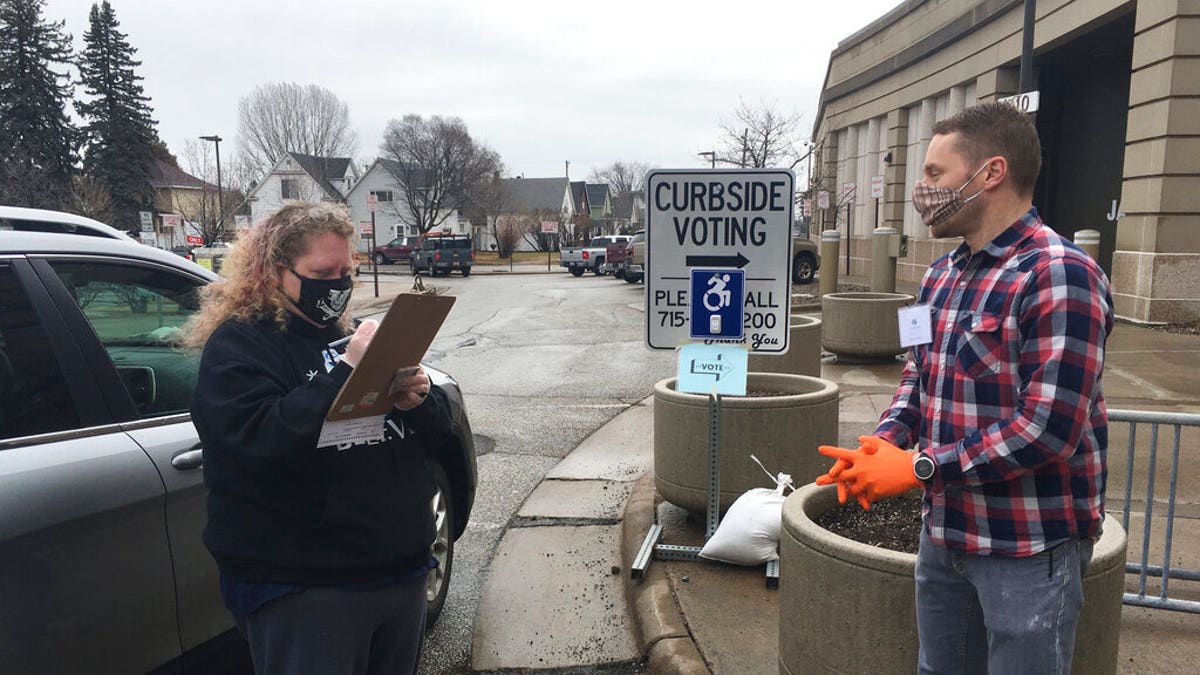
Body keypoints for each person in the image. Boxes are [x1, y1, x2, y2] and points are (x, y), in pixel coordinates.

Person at [815, 102, 1114, 675]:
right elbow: (917, 377)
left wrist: (919, 468)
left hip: (1031, 548)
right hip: (946, 534)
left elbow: (1047, 429)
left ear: (991, 173)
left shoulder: (1060, 275)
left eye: (934, 174)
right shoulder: (937, 277)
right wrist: (884, 442)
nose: (921, 192)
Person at [183, 202, 451, 675]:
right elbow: (257, 442)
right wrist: (345, 374)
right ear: (273, 272)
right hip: (305, 587)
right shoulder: (240, 346)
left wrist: (422, 401)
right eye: (322, 272)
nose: (338, 285)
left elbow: (433, 440)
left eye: (347, 270)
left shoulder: (346, 334)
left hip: (399, 571)